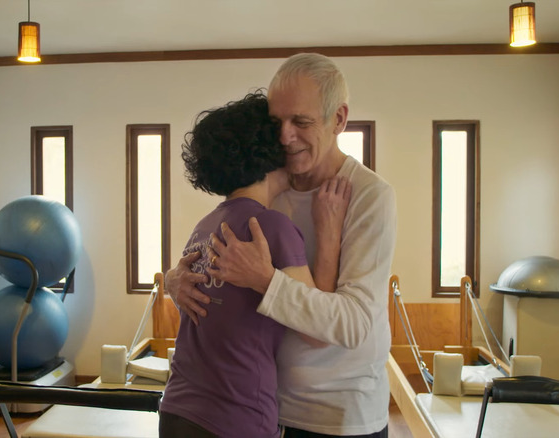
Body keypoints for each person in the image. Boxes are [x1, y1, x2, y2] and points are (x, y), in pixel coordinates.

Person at [166, 53, 397, 438]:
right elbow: (217, 252)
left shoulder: (371, 196)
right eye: (277, 123)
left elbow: (355, 324)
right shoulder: (272, 185)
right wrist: (177, 280)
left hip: (341, 415)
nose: (285, 137)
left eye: (301, 122)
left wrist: (267, 280)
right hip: (269, 408)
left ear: (338, 119)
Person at [158, 91, 350, 438]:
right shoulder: (270, 227)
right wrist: (330, 231)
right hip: (233, 419)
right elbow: (317, 331)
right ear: (269, 152)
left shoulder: (203, 227)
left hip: (175, 411)